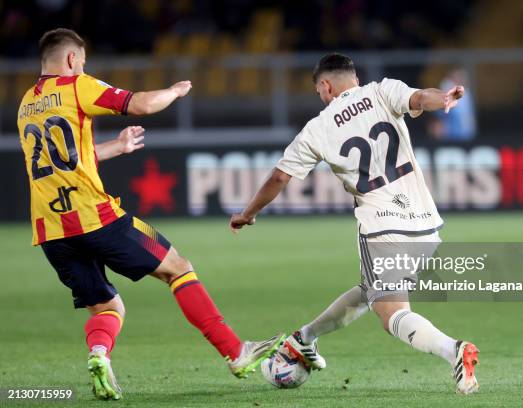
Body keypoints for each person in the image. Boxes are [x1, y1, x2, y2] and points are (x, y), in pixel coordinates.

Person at [17, 28, 284, 401]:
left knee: (107, 307)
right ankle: (235, 352)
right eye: (83, 63)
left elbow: (68, 158)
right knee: (178, 267)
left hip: (50, 232)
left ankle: (99, 355)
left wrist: (116, 146)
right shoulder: (77, 86)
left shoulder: (27, 102)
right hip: (96, 216)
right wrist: (173, 92)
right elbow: (139, 103)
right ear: (73, 60)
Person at [230, 53, 479, 394]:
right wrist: (444, 99)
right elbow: (422, 97)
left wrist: (248, 213)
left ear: (325, 85)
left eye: (319, 91)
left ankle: (454, 350)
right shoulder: (382, 91)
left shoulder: (318, 127)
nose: (321, 96)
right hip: (424, 222)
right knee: (370, 290)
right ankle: (305, 338)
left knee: (391, 312)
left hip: (381, 224)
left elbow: (279, 176)